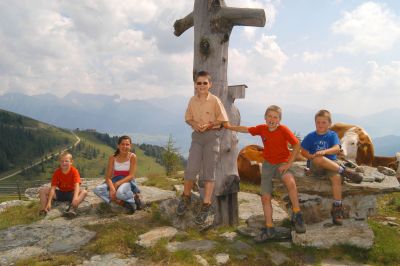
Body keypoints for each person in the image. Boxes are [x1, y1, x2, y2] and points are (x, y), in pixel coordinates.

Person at [225, 105, 306, 242]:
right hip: (268, 165)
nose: (272, 119)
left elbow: (297, 144)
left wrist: (289, 163)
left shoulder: (283, 130)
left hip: (282, 163)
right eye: (269, 116)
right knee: (265, 197)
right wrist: (229, 127)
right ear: (265, 117)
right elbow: (246, 129)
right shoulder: (262, 129)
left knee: (290, 181)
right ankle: (269, 228)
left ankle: (297, 214)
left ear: (279, 120)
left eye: (275, 117)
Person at [176, 70, 229, 225]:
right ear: (195, 85)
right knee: (191, 169)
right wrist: (195, 125)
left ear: (210, 84)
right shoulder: (192, 101)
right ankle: (185, 198)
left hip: (212, 137)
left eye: (204, 83)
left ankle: (206, 205)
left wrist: (210, 124)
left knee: (209, 172)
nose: (201, 85)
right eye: (199, 83)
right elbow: (188, 118)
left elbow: (224, 121)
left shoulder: (215, 101)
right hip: (197, 137)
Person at [301, 110, 363, 225]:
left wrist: (324, 151)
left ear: (329, 124)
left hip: (331, 165)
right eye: (318, 122)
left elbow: (336, 148)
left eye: (324, 122)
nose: (320, 125)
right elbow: (303, 151)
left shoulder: (332, 135)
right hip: (316, 165)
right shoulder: (310, 136)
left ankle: (337, 208)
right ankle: (345, 171)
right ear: (315, 123)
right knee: (319, 158)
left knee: (337, 178)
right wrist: (310, 156)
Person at [93, 135, 142, 213]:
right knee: (97, 189)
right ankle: (121, 202)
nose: (125, 146)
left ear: (130, 146)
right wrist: (112, 188)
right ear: (118, 145)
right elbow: (108, 177)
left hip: (127, 181)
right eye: (122, 144)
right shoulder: (113, 157)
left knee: (119, 193)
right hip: (115, 180)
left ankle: (134, 197)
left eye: (127, 144)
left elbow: (131, 175)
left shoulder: (132, 156)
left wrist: (117, 184)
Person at [39, 151, 87, 218]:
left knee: (84, 192)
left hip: (71, 194)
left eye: (66, 161)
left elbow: (77, 185)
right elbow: (53, 188)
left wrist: (75, 198)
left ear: (71, 162)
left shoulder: (74, 171)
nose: (64, 163)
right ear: (59, 162)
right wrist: (49, 202)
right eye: (62, 161)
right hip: (60, 194)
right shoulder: (57, 173)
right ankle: (43, 209)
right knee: (43, 190)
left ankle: (72, 209)